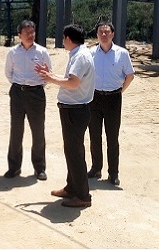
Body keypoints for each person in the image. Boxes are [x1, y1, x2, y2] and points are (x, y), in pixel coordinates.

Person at [35, 24, 95, 208]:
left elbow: (73, 82)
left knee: (75, 153)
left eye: (63, 38)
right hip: (74, 109)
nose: (63, 41)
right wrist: (52, 75)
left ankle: (83, 196)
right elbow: (72, 78)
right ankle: (72, 187)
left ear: (69, 38)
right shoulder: (79, 54)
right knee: (71, 151)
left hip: (75, 110)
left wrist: (51, 79)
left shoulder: (80, 56)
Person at [87, 21, 135, 186]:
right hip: (94, 98)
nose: (104, 34)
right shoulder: (91, 53)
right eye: (101, 32)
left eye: (107, 32)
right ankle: (96, 168)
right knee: (94, 135)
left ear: (113, 34)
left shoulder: (122, 53)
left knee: (112, 137)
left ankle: (113, 173)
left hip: (113, 98)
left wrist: (120, 91)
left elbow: (130, 75)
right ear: (97, 35)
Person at [4, 20, 52, 180]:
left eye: (32, 32)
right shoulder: (12, 52)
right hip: (17, 93)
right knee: (16, 131)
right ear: (19, 35)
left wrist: (35, 86)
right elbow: (8, 73)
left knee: (38, 132)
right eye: (27, 33)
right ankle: (14, 167)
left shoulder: (42, 52)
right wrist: (20, 85)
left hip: (36, 95)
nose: (30, 35)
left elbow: (48, 74)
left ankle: (39, 168)